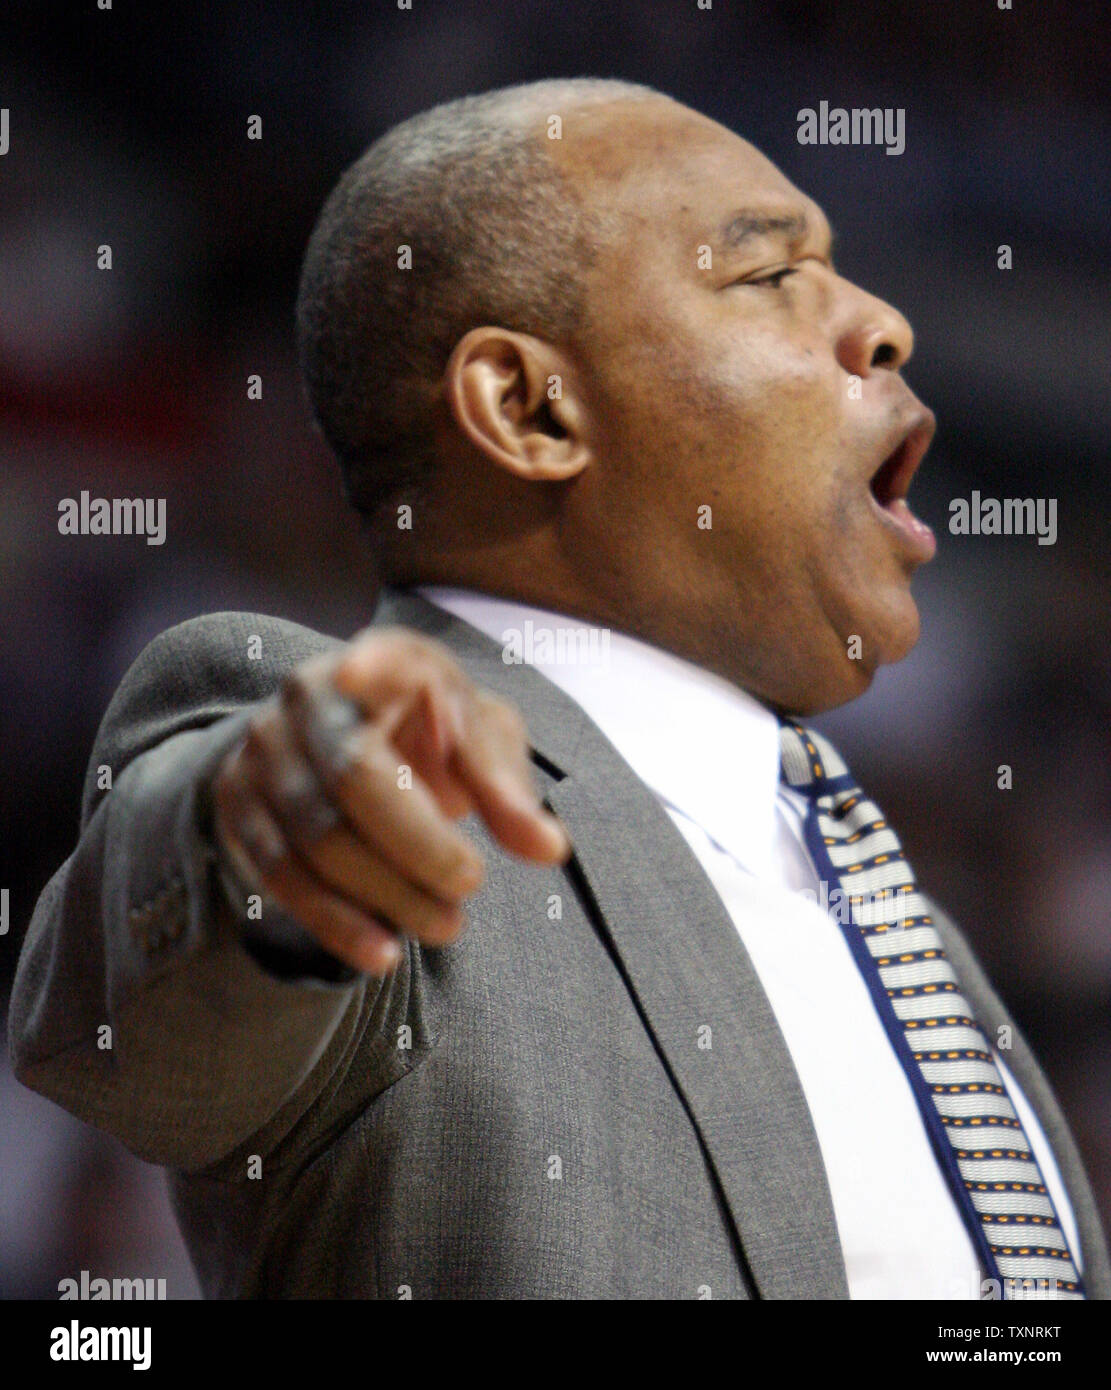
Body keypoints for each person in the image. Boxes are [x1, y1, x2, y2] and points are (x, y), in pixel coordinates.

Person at [10, 78, 1109, 1300]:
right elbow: (146, 1017)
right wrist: (270, 839)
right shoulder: (376, 774)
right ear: (529, 407)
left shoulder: (908, 916)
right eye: (767, 276)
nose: (884, 323)